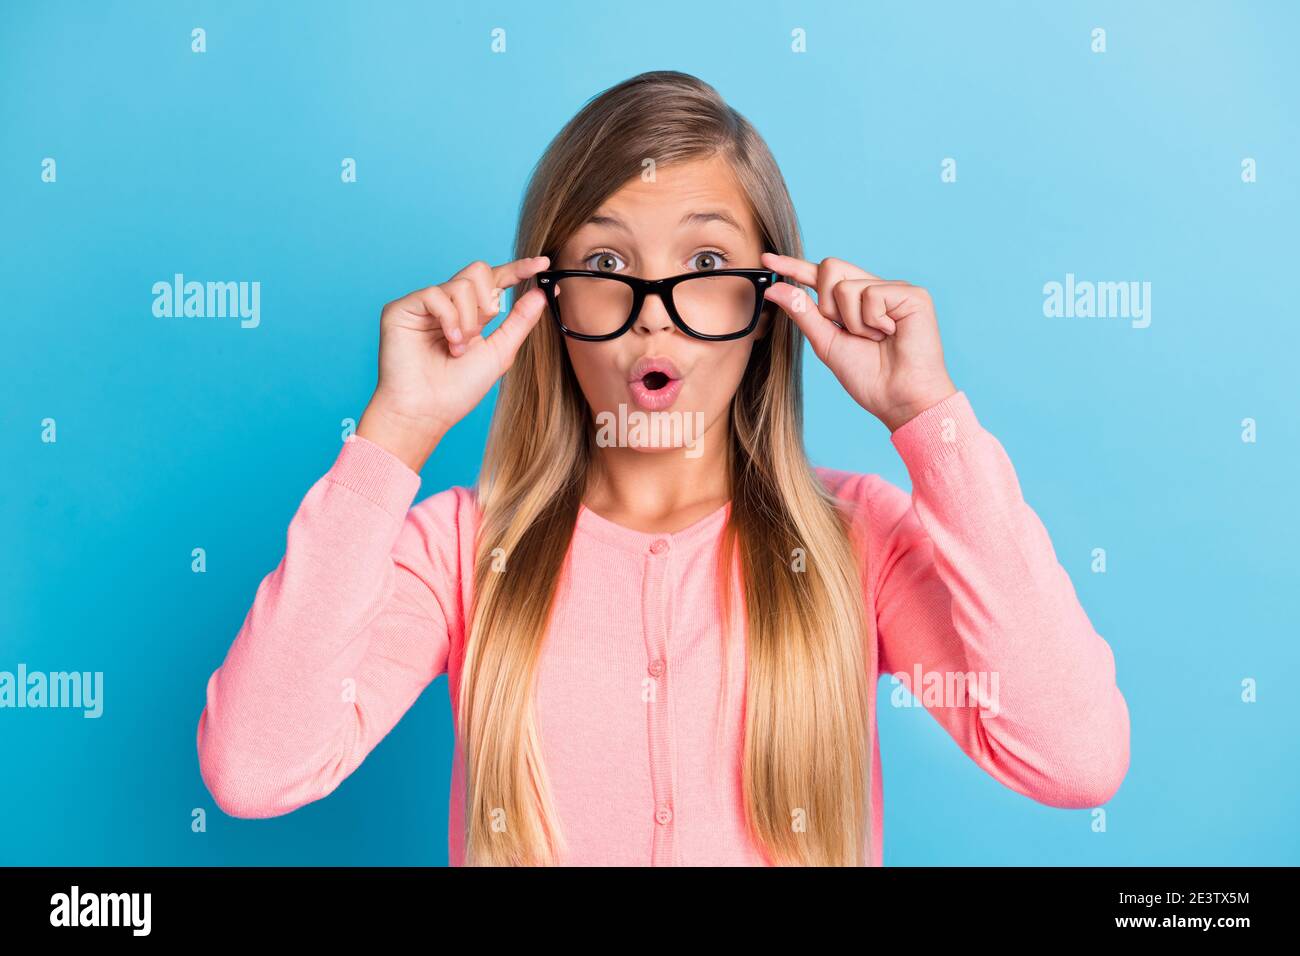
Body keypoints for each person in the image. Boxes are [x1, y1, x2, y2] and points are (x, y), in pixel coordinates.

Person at [195, 69, 1130, 866]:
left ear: (770, 301)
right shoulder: (460, 552)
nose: (655, 312)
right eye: (606, 258)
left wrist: (931, 421)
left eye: (707, 258)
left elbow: (1072, 757)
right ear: (545, 300)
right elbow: (255, 770)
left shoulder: (859, 542)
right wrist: (394, 432)